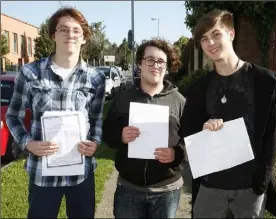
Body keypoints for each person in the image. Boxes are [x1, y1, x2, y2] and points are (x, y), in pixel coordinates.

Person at [179, 9, 276, 219]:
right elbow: (186, 131)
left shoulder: (263, 81)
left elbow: (273, 134)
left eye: (216, 34)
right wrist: (203, 129)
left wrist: (260, 185)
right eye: (204, 38)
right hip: (210, 188)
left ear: (231, 33)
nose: (210, 42)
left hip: (249, 190)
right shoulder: (199, 88)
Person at [6, 7, 106, 218]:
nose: (70, 35)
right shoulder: (30, 73)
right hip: (43, 174)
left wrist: (95, 142)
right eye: (63, 29)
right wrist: (27, 143)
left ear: (84, 38)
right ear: (53, 35)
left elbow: (96, 119)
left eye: (76, 31)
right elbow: (12, 115)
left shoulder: (96, 78)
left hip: (81, 173)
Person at [102, 39, 185, 218]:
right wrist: (120, 136)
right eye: (150, 60)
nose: (155, 65)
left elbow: (191, 140)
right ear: (140, 63)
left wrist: (176, 153)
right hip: (129, 189)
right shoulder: (123, 99)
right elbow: (107, 134)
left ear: (167, 66)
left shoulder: (179, 101)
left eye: (161, 61)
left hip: (167, 191)